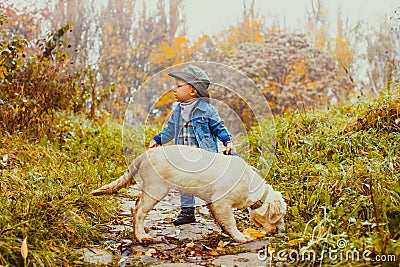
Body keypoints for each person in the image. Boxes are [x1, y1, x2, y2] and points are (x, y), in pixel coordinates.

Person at [148, 64, 235, 226]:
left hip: (204, 156)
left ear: (193, 91)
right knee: (184, 183)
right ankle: (187, 211)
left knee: (208, 184)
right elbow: (170, 129)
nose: (174, 90)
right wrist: (158, 139)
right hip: (183, 157)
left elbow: (219, 127)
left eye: (179, 86)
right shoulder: (177, 110)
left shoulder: (208, 110)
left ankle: (218, 208)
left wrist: (227, 141)